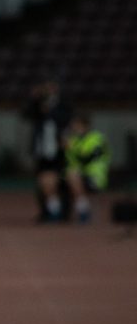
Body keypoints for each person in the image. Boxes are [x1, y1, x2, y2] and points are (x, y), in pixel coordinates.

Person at [22, 81, 72, 223]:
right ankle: (46, 211)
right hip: (42, 150)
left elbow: (66, 119)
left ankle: (64, 212)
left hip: (59, 151)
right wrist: (33, 99)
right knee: (41, 183)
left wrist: (50, 110)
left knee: (61, 182)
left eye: (51, 86)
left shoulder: (63, 104)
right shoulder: (38, 103)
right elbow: (25, 114)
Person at [64, 113, 108, 224]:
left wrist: (71, 149)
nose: (74, 128)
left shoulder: (96, 138)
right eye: (73, 125)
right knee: (53, 178)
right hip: (77, 175)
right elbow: (68, 161)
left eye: (77, 125)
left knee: (73, 176)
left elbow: (88, 159)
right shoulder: (73, 140)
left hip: (96, 178)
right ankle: (57, 212)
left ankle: (83, 211)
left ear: (86, 125)